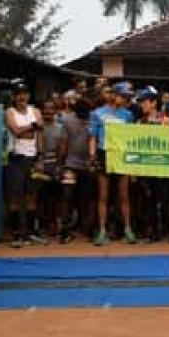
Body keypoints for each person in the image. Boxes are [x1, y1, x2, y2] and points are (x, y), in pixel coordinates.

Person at [88, 84, 135, 245]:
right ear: (113, 95)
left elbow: (130, 138)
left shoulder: (128, 115)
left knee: (124, 195)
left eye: (126, 96)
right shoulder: (97, 113)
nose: (124, 99)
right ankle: (102, 231)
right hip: (104, 154)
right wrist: (93, 156)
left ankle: (128, 229)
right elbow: (93, 137)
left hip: (121, 156)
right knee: (103, 195)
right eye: (122, 95)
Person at [136, 89, 169, 244]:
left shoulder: (165, 120)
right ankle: (154, 232)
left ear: (154, 102)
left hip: (163, 166)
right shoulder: (139, 122)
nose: (142, 105)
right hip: (146, 167)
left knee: (167, 200)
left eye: (145, 101)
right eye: (141, 102)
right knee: (149, 200)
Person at [3, 84, 44, 247]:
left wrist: (40, 156)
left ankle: (30, 233)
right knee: (14, 196)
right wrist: (33, 126)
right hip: (16, 158)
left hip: (32, 158)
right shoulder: (9, 112)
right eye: (18, 94)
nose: (22, 97)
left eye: (25, 94)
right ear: (14, 97)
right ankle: (15, 234)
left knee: (31, 196)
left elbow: (40, 134)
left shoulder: (35, 111)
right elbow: (15, 130)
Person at [60, 96, 94, 244]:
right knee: (67, 195)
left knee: (86, 198)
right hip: (70, 165)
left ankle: (88, 228)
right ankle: (65, 231)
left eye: (86, 113)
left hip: (88, 165)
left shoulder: (94, 119)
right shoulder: (68, 120)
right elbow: (64, 142)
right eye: (82, 113)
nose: (84, 116)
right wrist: (61, 163)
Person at [33, 99, 67, 241]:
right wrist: (36, 162)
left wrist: (59, 167)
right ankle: (39, 226)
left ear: (55, 111)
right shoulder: (36, 127)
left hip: (54, 166)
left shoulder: (60, 127)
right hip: (38, 166)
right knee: (39, 198)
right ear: (41, 111)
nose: (48, 112)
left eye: (51, 109)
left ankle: (56, 225)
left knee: (56, 198)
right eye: (45, 109)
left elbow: (62, 147)